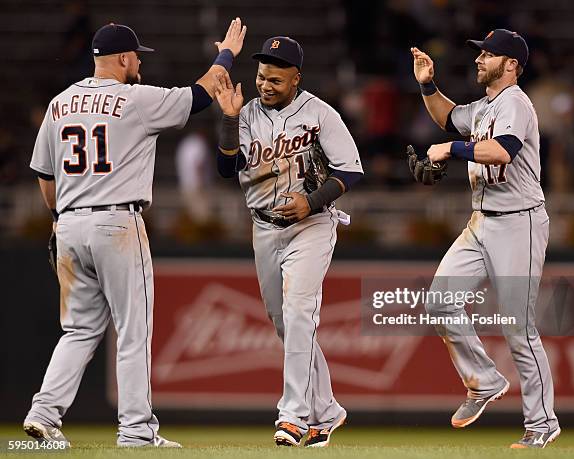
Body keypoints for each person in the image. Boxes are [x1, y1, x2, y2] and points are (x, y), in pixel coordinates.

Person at [25, 19, 246, 447]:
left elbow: (44, 175)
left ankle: (44, 414)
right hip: (116, 223)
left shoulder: (59, 104)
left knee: (78, 330)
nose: (139, 63)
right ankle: (137, 431)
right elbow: (202, 94)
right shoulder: (134, 99)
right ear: (124, 58)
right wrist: (227, 55)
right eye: (136, 57)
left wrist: (59, 217)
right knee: (133, 331)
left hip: (69, 223)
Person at [411, 29, 561, 448]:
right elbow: (446, 116)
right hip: (482, 221)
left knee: (518, 327)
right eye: (479, 53)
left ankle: (542, 422)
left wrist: (451, 150)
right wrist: (427, 84)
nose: (479, 59)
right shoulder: (484, 107)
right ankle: (484, 381)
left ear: (510, 65)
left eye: (488, 54)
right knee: (440, 300)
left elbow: (502, 151)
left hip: (519, 223)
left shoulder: (515, 102)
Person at [214, 36, 363, 447]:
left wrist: (312, 202)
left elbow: (350, 171)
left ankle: (292, 415)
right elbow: (228, 168)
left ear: (296, 78)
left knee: (300, 313)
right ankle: (328, 410)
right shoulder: (244, 116)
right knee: (285, 324)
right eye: (262, 77)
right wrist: (227, 117)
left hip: (311, 225)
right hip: (263, 226)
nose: (266, 85)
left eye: (276, 79)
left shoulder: (319, 113)